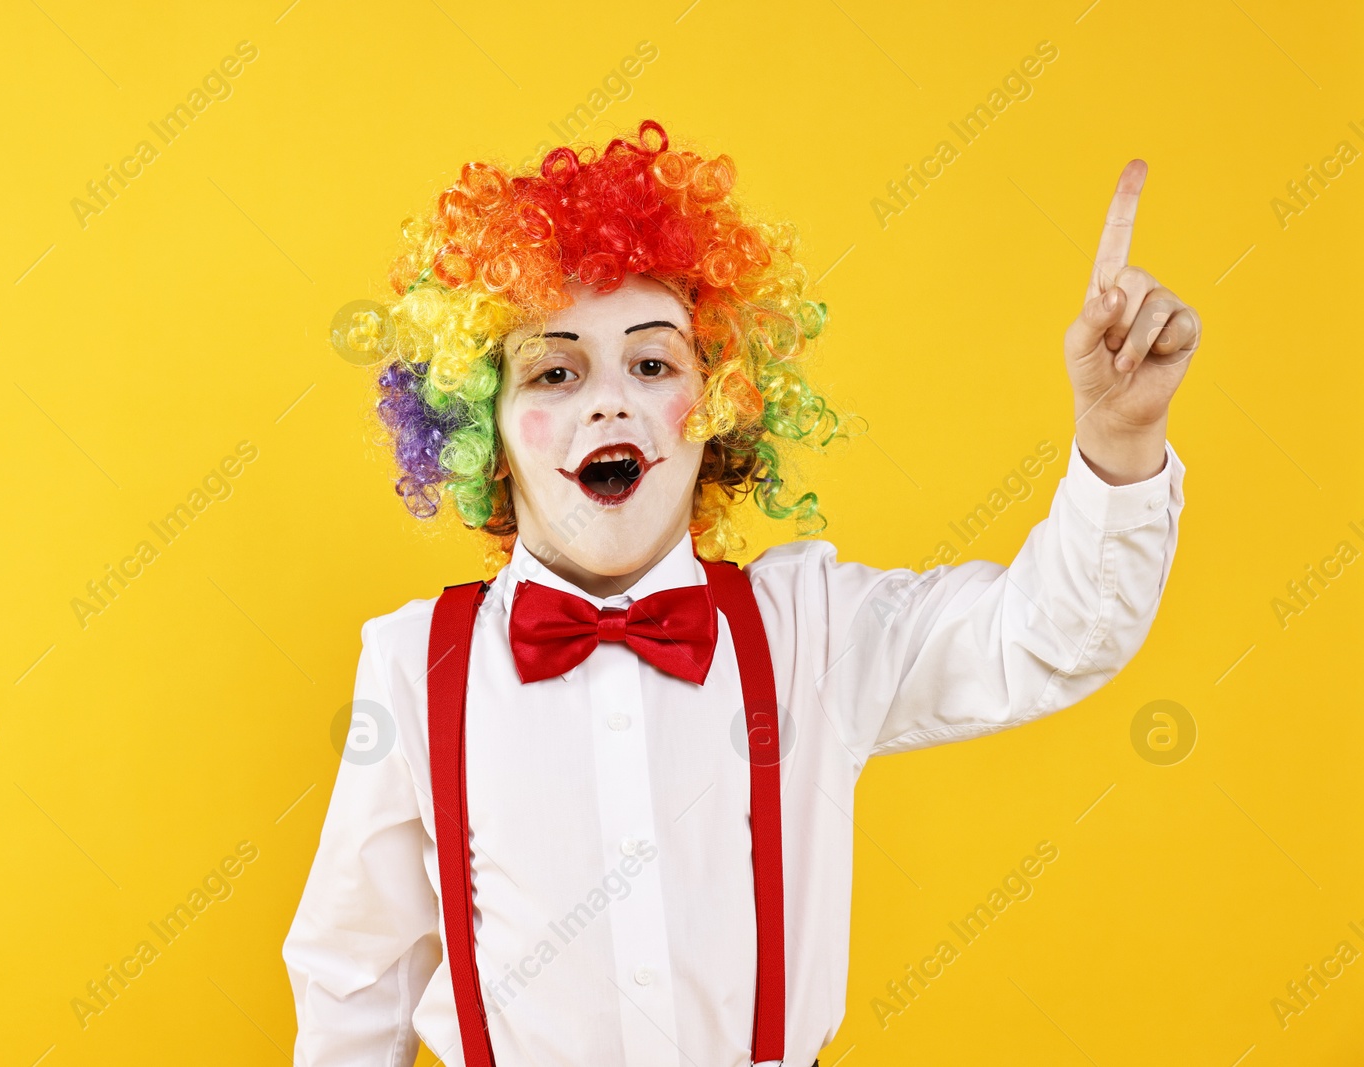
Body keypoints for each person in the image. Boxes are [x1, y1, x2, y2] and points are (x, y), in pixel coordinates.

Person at [284, 119, 1194, 1066]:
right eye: (555, 371)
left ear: (716, 409)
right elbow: (356, 977)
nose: (611, 401)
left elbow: (1051, 635)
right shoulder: (414, 663)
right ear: (485, 432)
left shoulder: (812, 627)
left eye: (653, 364)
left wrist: (1120, 440)